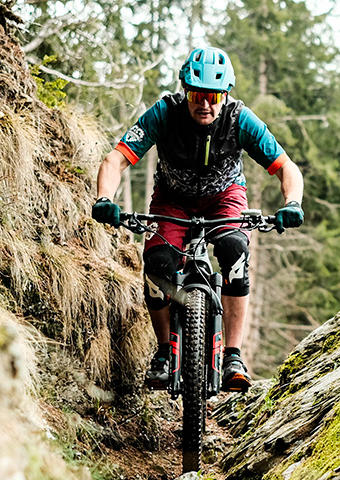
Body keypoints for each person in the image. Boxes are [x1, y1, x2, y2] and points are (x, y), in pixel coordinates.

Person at [91, 46, 304, 391]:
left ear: (225, 94)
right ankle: (163, 352)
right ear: (184, 90)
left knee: (235, 252)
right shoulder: (165, 113)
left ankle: (233, 354)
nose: (204, 103)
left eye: (213, 95)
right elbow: (115, 160)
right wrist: (105, 198)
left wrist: (292, 202)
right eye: (195, 94)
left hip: (224, 199)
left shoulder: (240, 119)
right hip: (172, 200)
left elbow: (286, 168)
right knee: (158, 264)